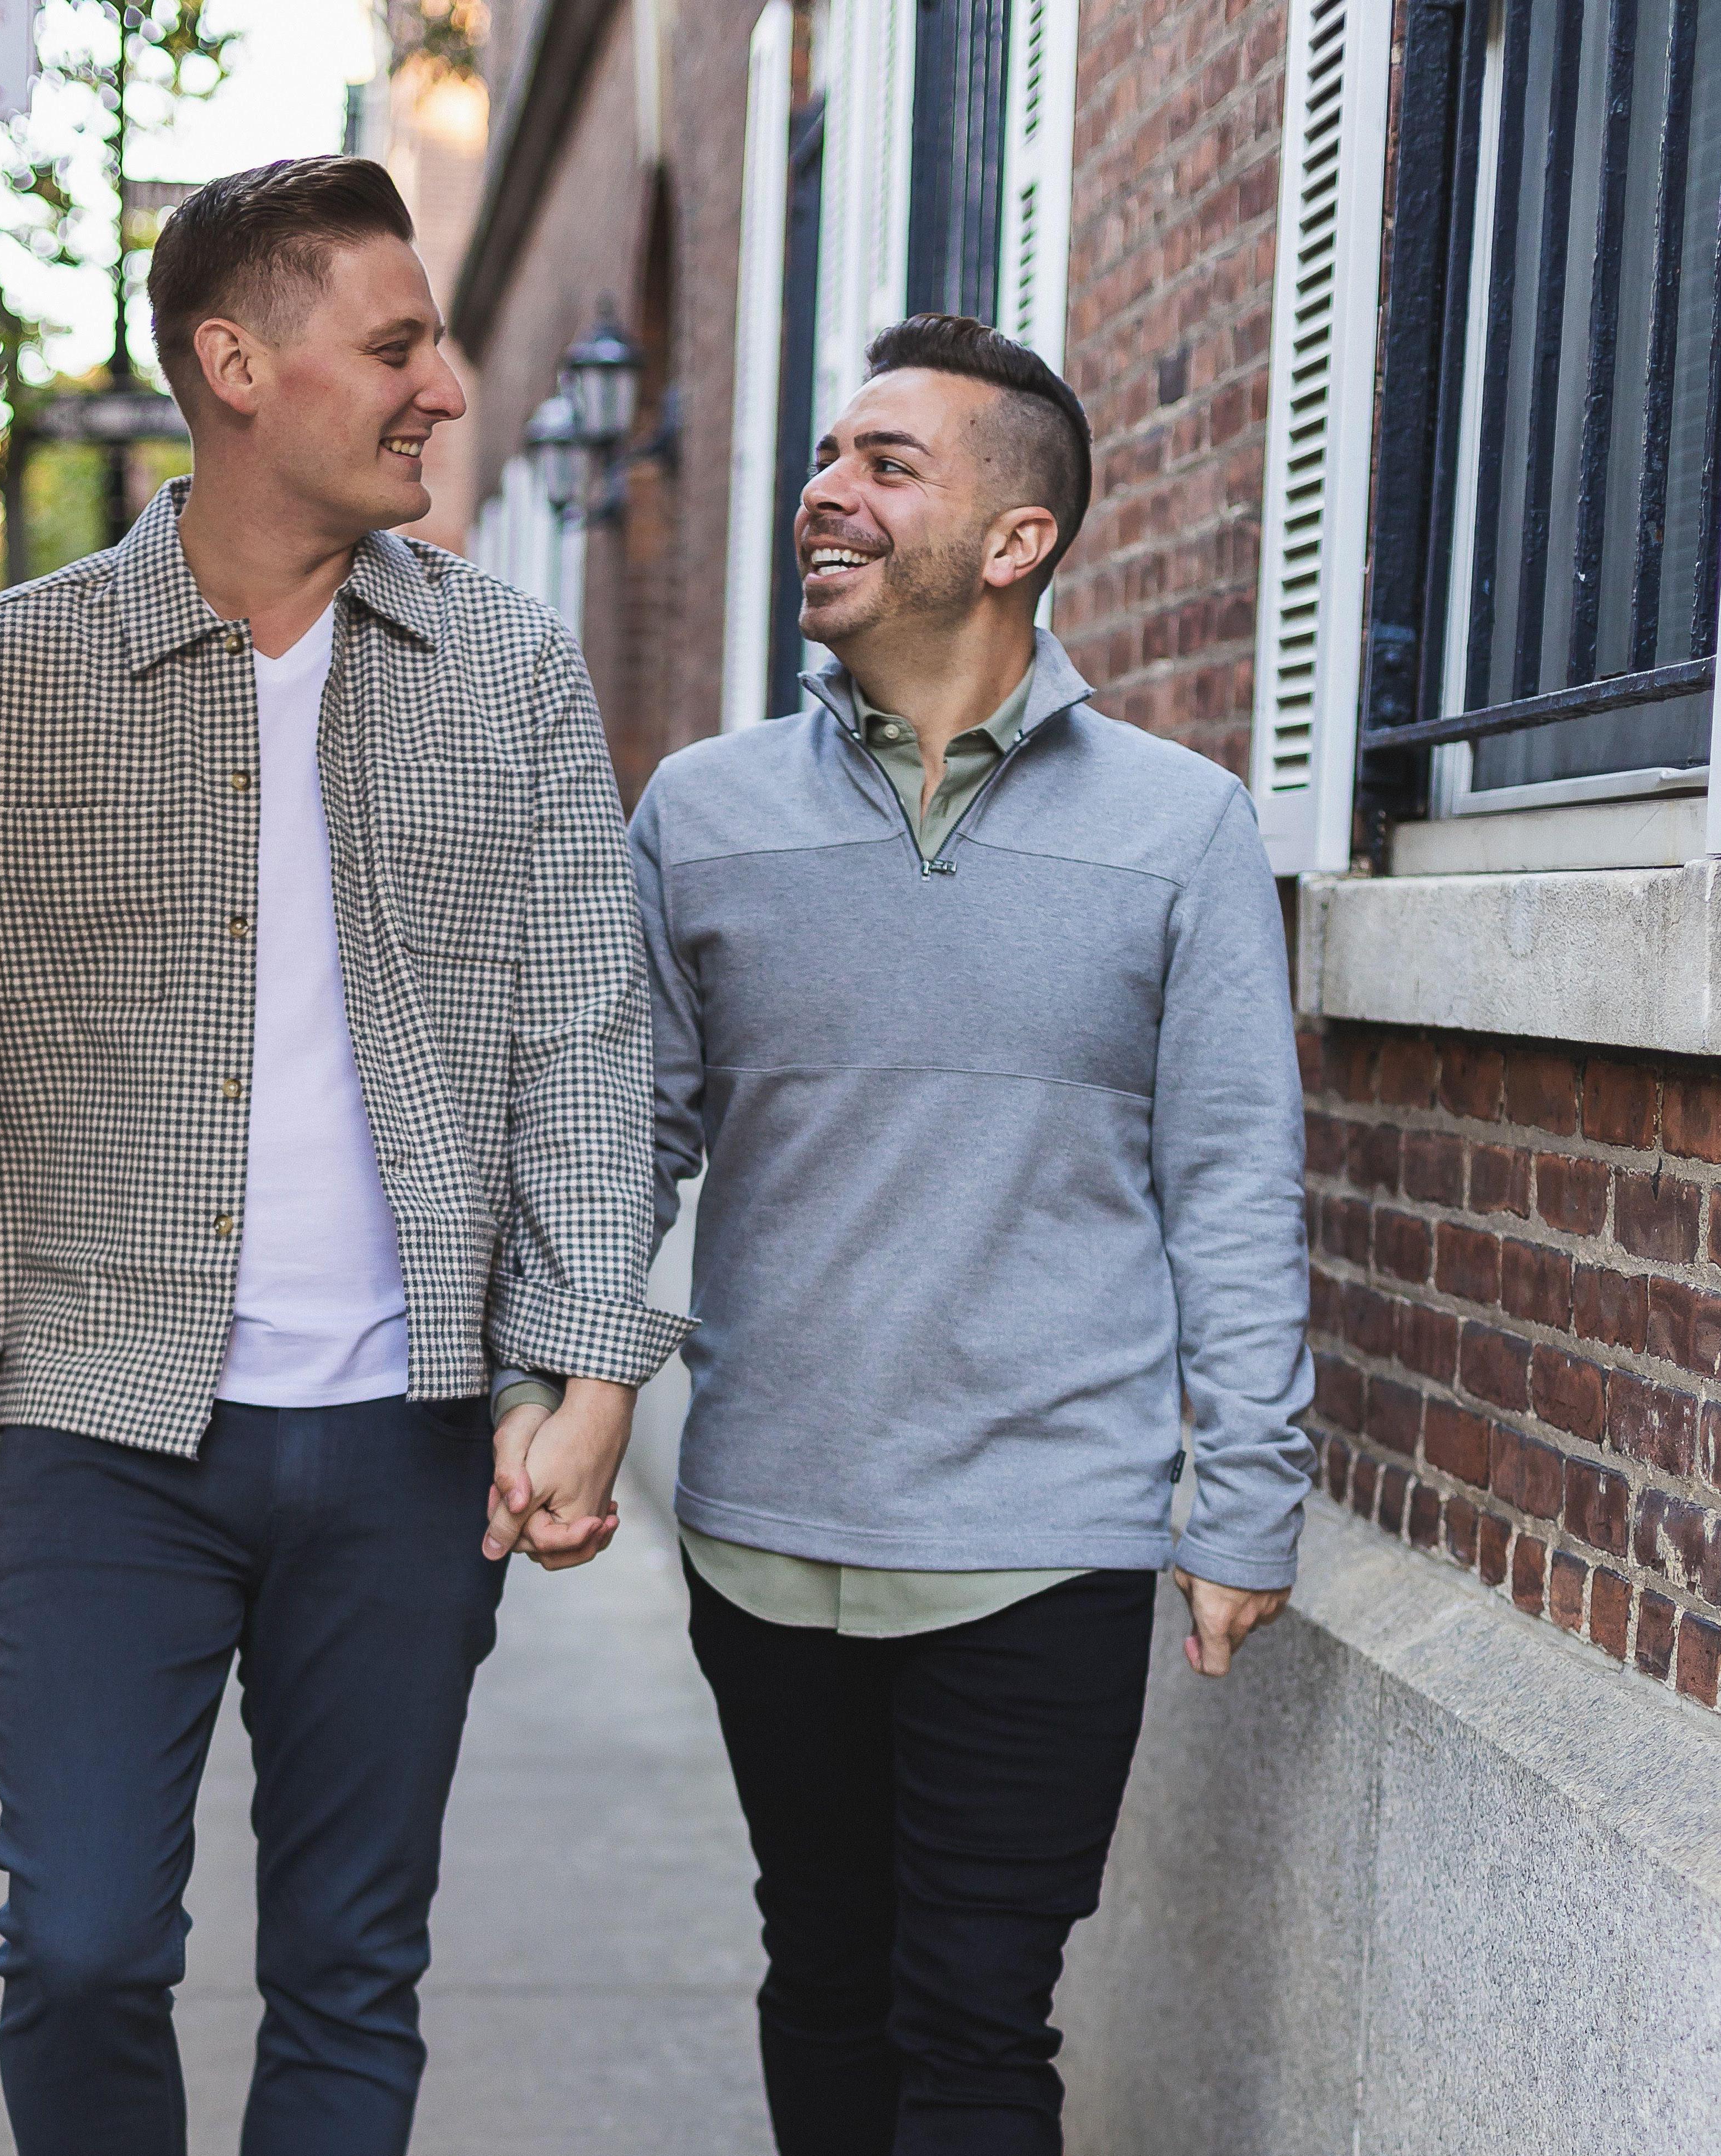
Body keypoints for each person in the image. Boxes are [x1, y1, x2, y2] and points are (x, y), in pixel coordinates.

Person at [0, 157, 685, 2156]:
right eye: (395, 344)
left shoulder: (511, 669)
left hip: (407, 1432)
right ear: (236, 366)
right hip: (105, 1429)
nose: (443, 388)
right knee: (82, 1941)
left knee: (351, 1964)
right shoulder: (14, 673)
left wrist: (591, 1368)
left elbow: (579, 1037)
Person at [628, 315, 1314, 2155]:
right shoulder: (700, 813)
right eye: (824, 455)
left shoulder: (1179, 829)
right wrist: (569, 1386)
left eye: (885, 464)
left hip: (1042, 1532)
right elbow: (630, 1143)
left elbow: (1233, 1175)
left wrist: (1246, 1495)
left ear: (1017, 540)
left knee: (975, 2012)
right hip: (767, 1525)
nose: (823, 492)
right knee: (824, 1975)